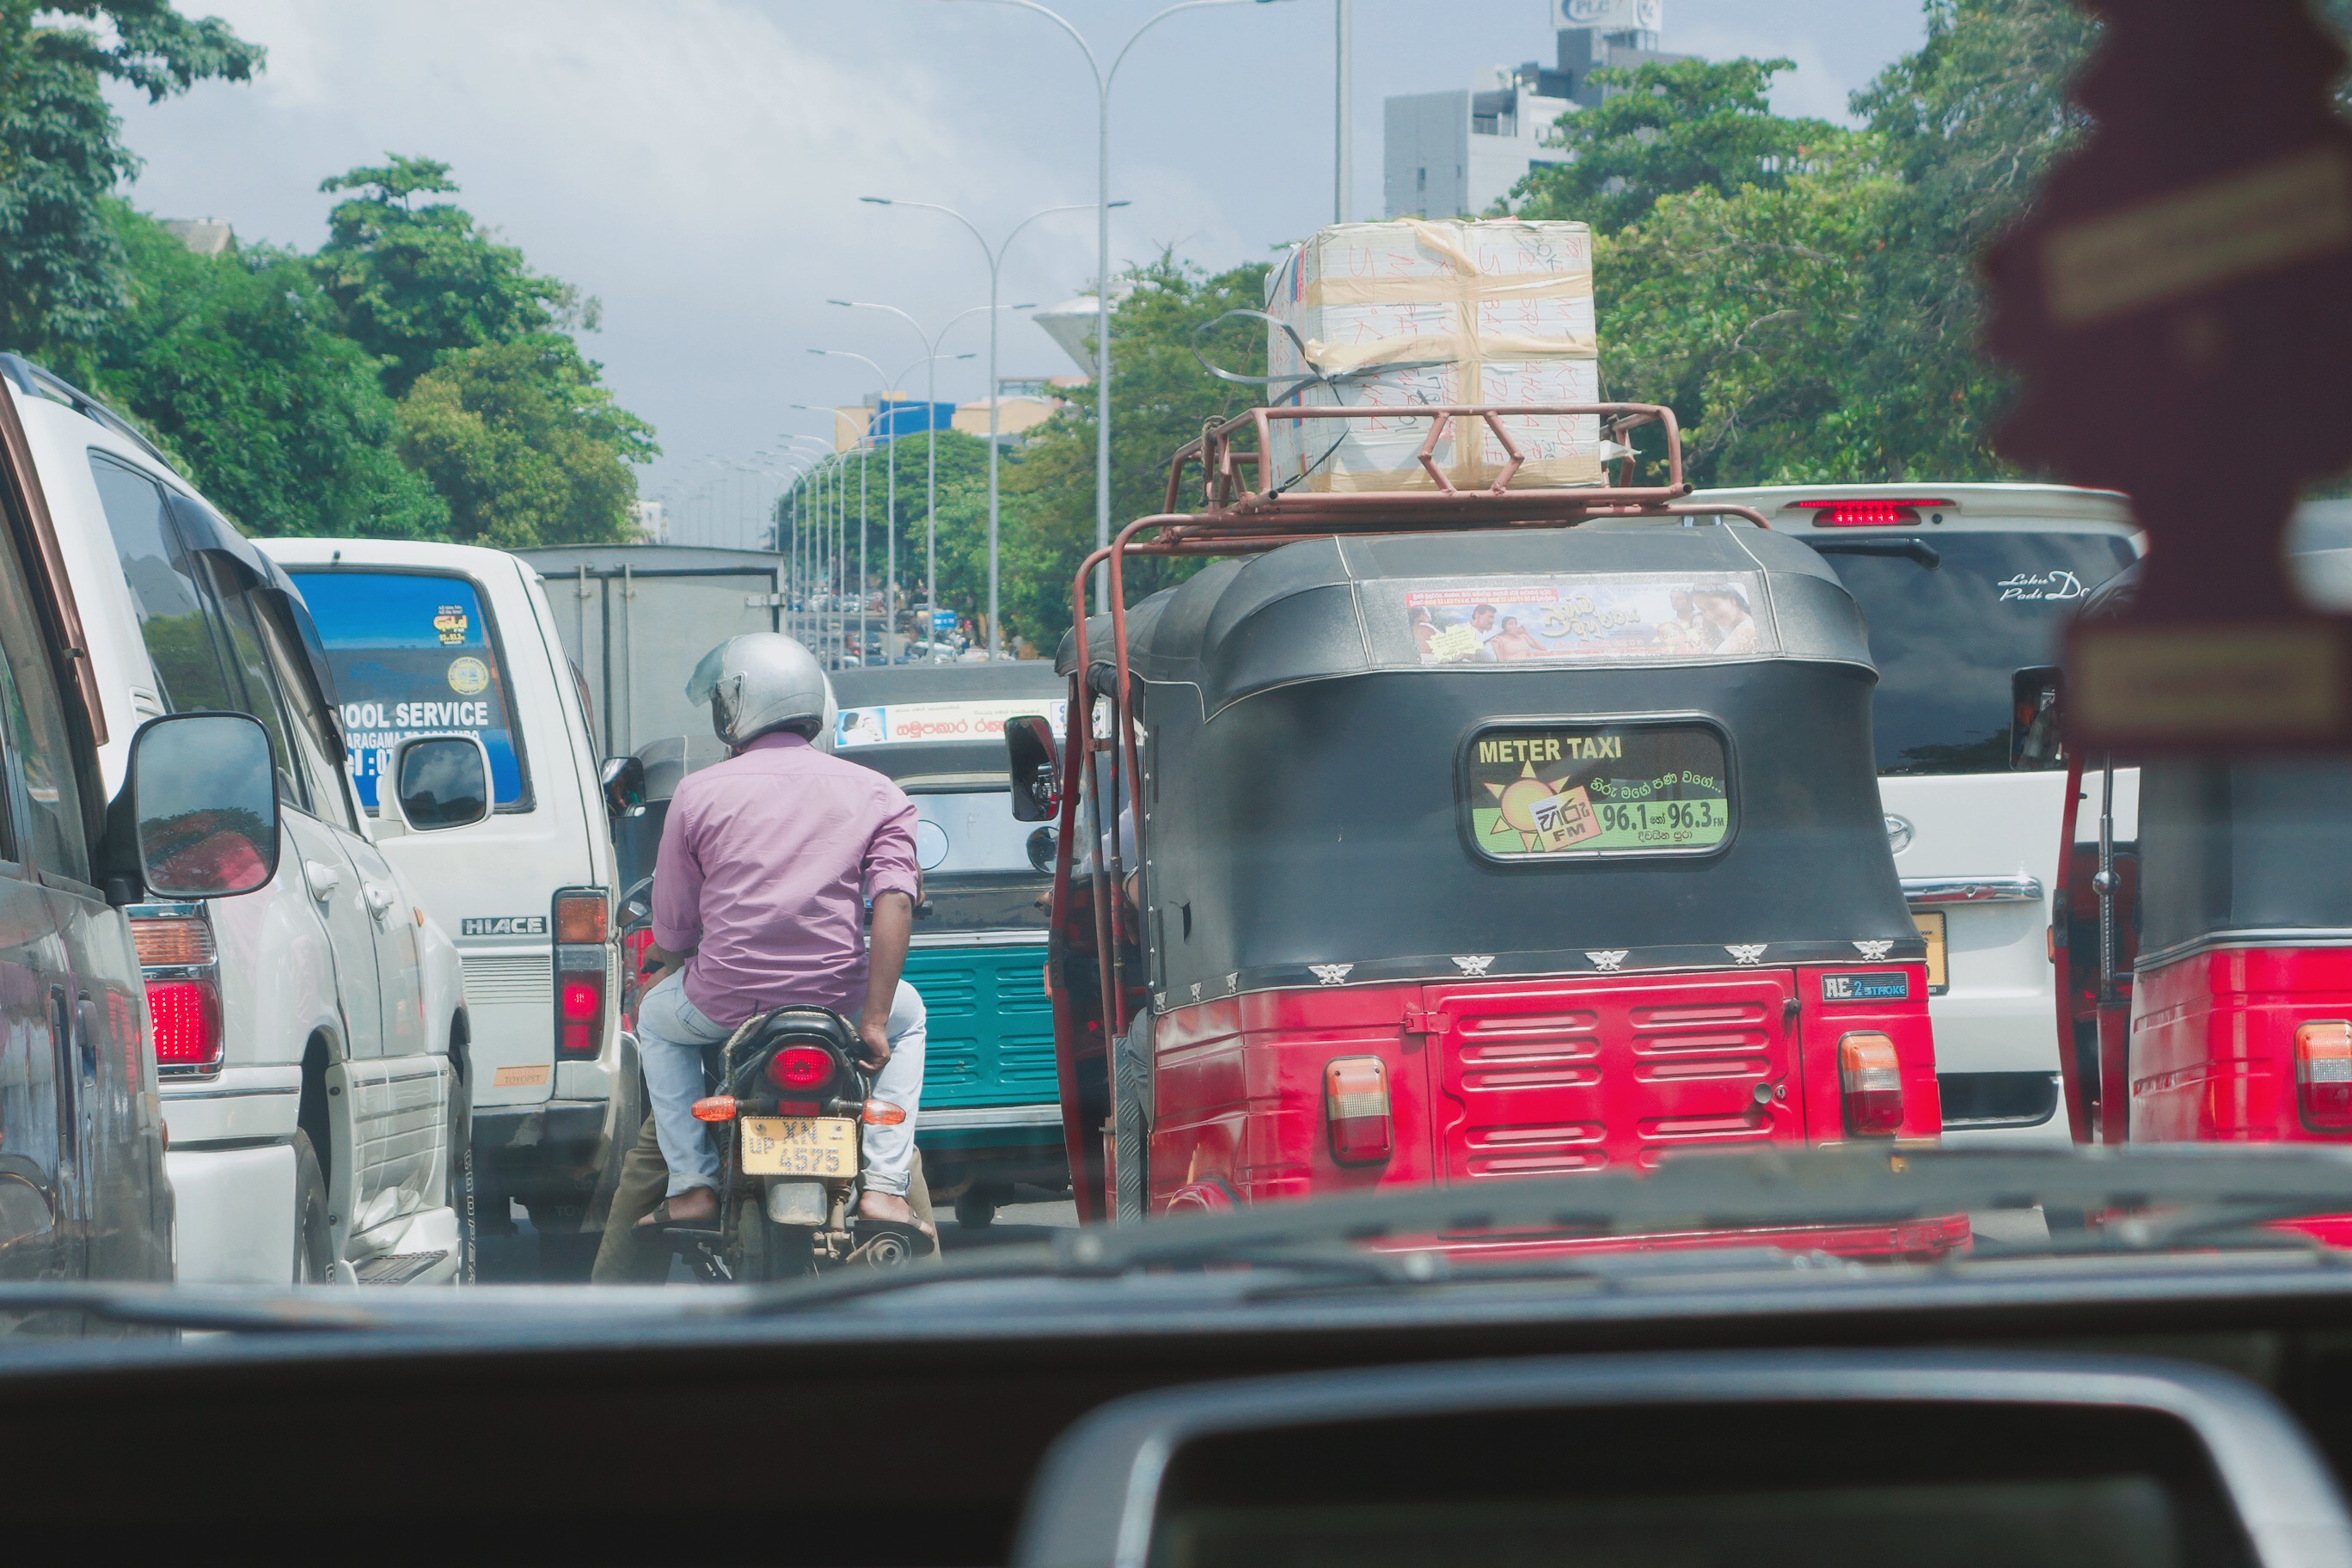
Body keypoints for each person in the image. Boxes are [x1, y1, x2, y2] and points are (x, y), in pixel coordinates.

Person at [628, 632, 928, 1236]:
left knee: (654, 1018)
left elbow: (677, 929)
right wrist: (872, 1020)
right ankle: (887, 1191)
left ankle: (691, 1185)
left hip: (723, 1004)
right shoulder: (877, 792)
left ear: (738, 703)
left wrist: (668, 956)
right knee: (911, 1016)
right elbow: (895, 899)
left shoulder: (697, 792)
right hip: (840, 1004)